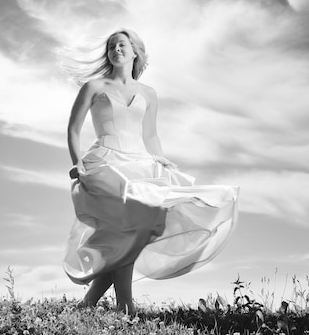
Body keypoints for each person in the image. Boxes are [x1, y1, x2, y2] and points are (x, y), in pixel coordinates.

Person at [62, 29, 239, 314]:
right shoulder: (94, 87)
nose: (115, 49)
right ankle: (125, 306)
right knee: (124, 231)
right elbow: (73, 129)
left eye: (121, 44)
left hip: (141, 165)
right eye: (111, 46)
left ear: (134, 52)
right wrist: (76, 161)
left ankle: (88, 304)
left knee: (131, 234)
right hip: (105, 165)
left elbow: (150, 135)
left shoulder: (148, 93)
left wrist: (161, 160)